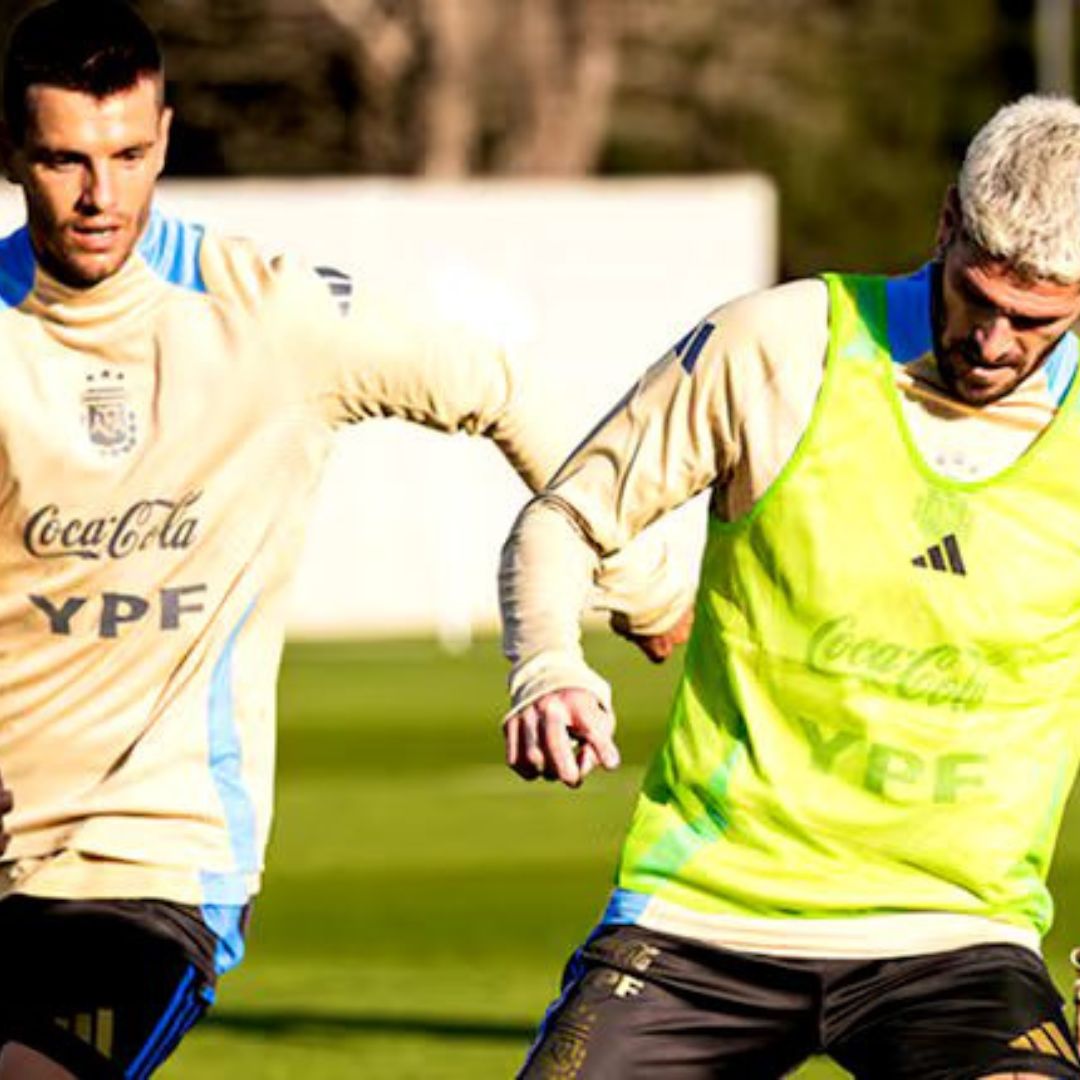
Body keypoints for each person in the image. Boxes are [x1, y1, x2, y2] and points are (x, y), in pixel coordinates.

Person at [0, 2, 692, 1077]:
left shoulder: (268, 313)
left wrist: (640, 580)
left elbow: (499, 386)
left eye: (130, 155)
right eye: (65, 161)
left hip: (152, 864)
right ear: (13, 153)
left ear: (167, 138)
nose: (102, 195)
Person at [500, 93, 1080, 1080]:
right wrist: (548, 666)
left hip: (958, 939)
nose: (992, 341)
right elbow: (564, 518)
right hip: (701, 921)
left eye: (1035, 321)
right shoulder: (778, 347)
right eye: (976, 297)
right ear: (946, 224)